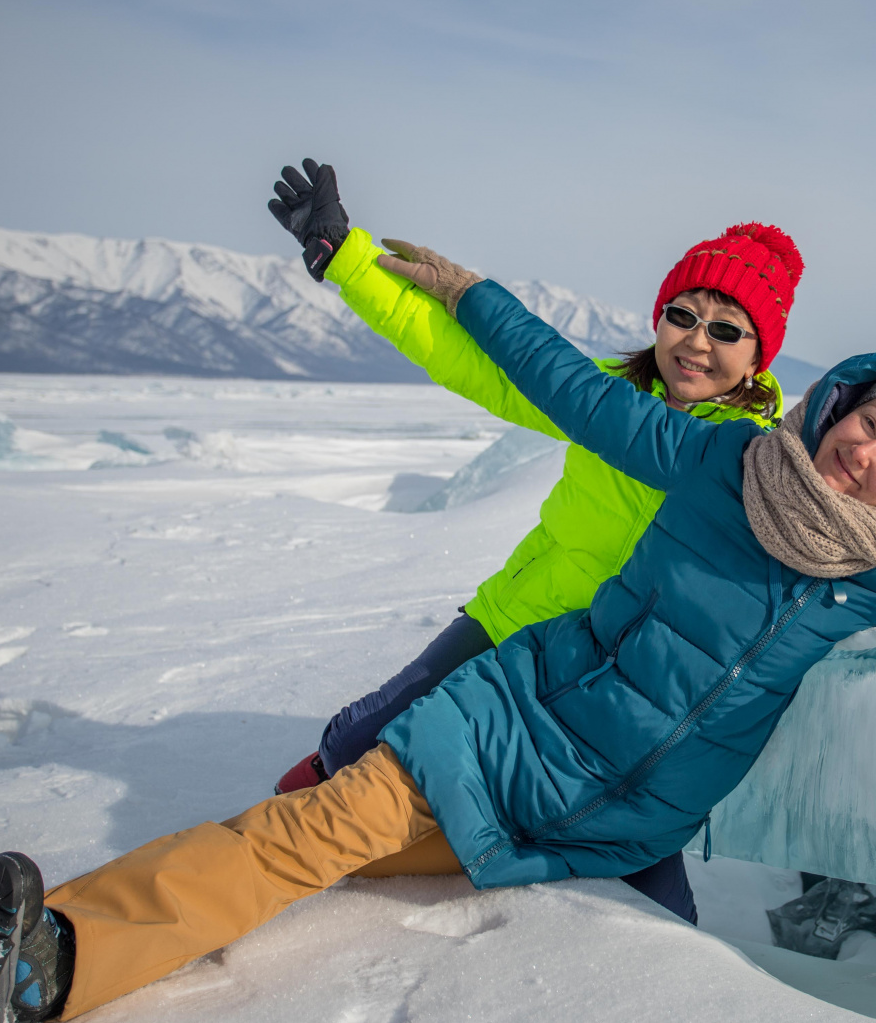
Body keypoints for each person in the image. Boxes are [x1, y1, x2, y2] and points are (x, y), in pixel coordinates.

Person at [0, 231, 876, 1023]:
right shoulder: (715, 461)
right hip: (508, 727)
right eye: (867, 422)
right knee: (307, 829)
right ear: (833, 409)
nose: (867, 453)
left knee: (667, 999)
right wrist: (463, 290)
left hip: (622, 826)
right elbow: (562, 383)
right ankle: (50, 960)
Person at [265, 159, 805, 925]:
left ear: (758, 355)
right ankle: (303, 831)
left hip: (613, 681)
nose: (695, 342)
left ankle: (684, 993)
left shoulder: (752, 459)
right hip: (514, 616)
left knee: (642, 878)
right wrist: (345, 257)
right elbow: (470, 356)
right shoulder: (605, 399)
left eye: (726, 330)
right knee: (348, 752)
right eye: (682, 315)